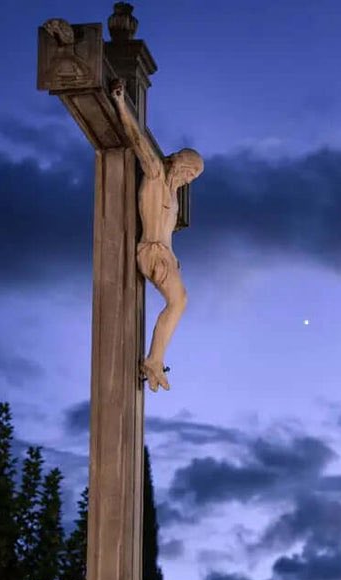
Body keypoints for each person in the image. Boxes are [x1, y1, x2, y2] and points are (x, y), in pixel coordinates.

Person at [111, 80, 204, 391]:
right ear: (178, 159)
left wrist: (174, 260)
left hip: (163, 254)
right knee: (179, 302)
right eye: (190, 170)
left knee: (179, 302)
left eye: (194, 176)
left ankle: (154, 358)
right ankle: (153, 359)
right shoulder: (155, 175)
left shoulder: (174, 194)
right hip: (151, 251)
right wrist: (121, 103)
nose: (189, 178)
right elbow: (137, 139)